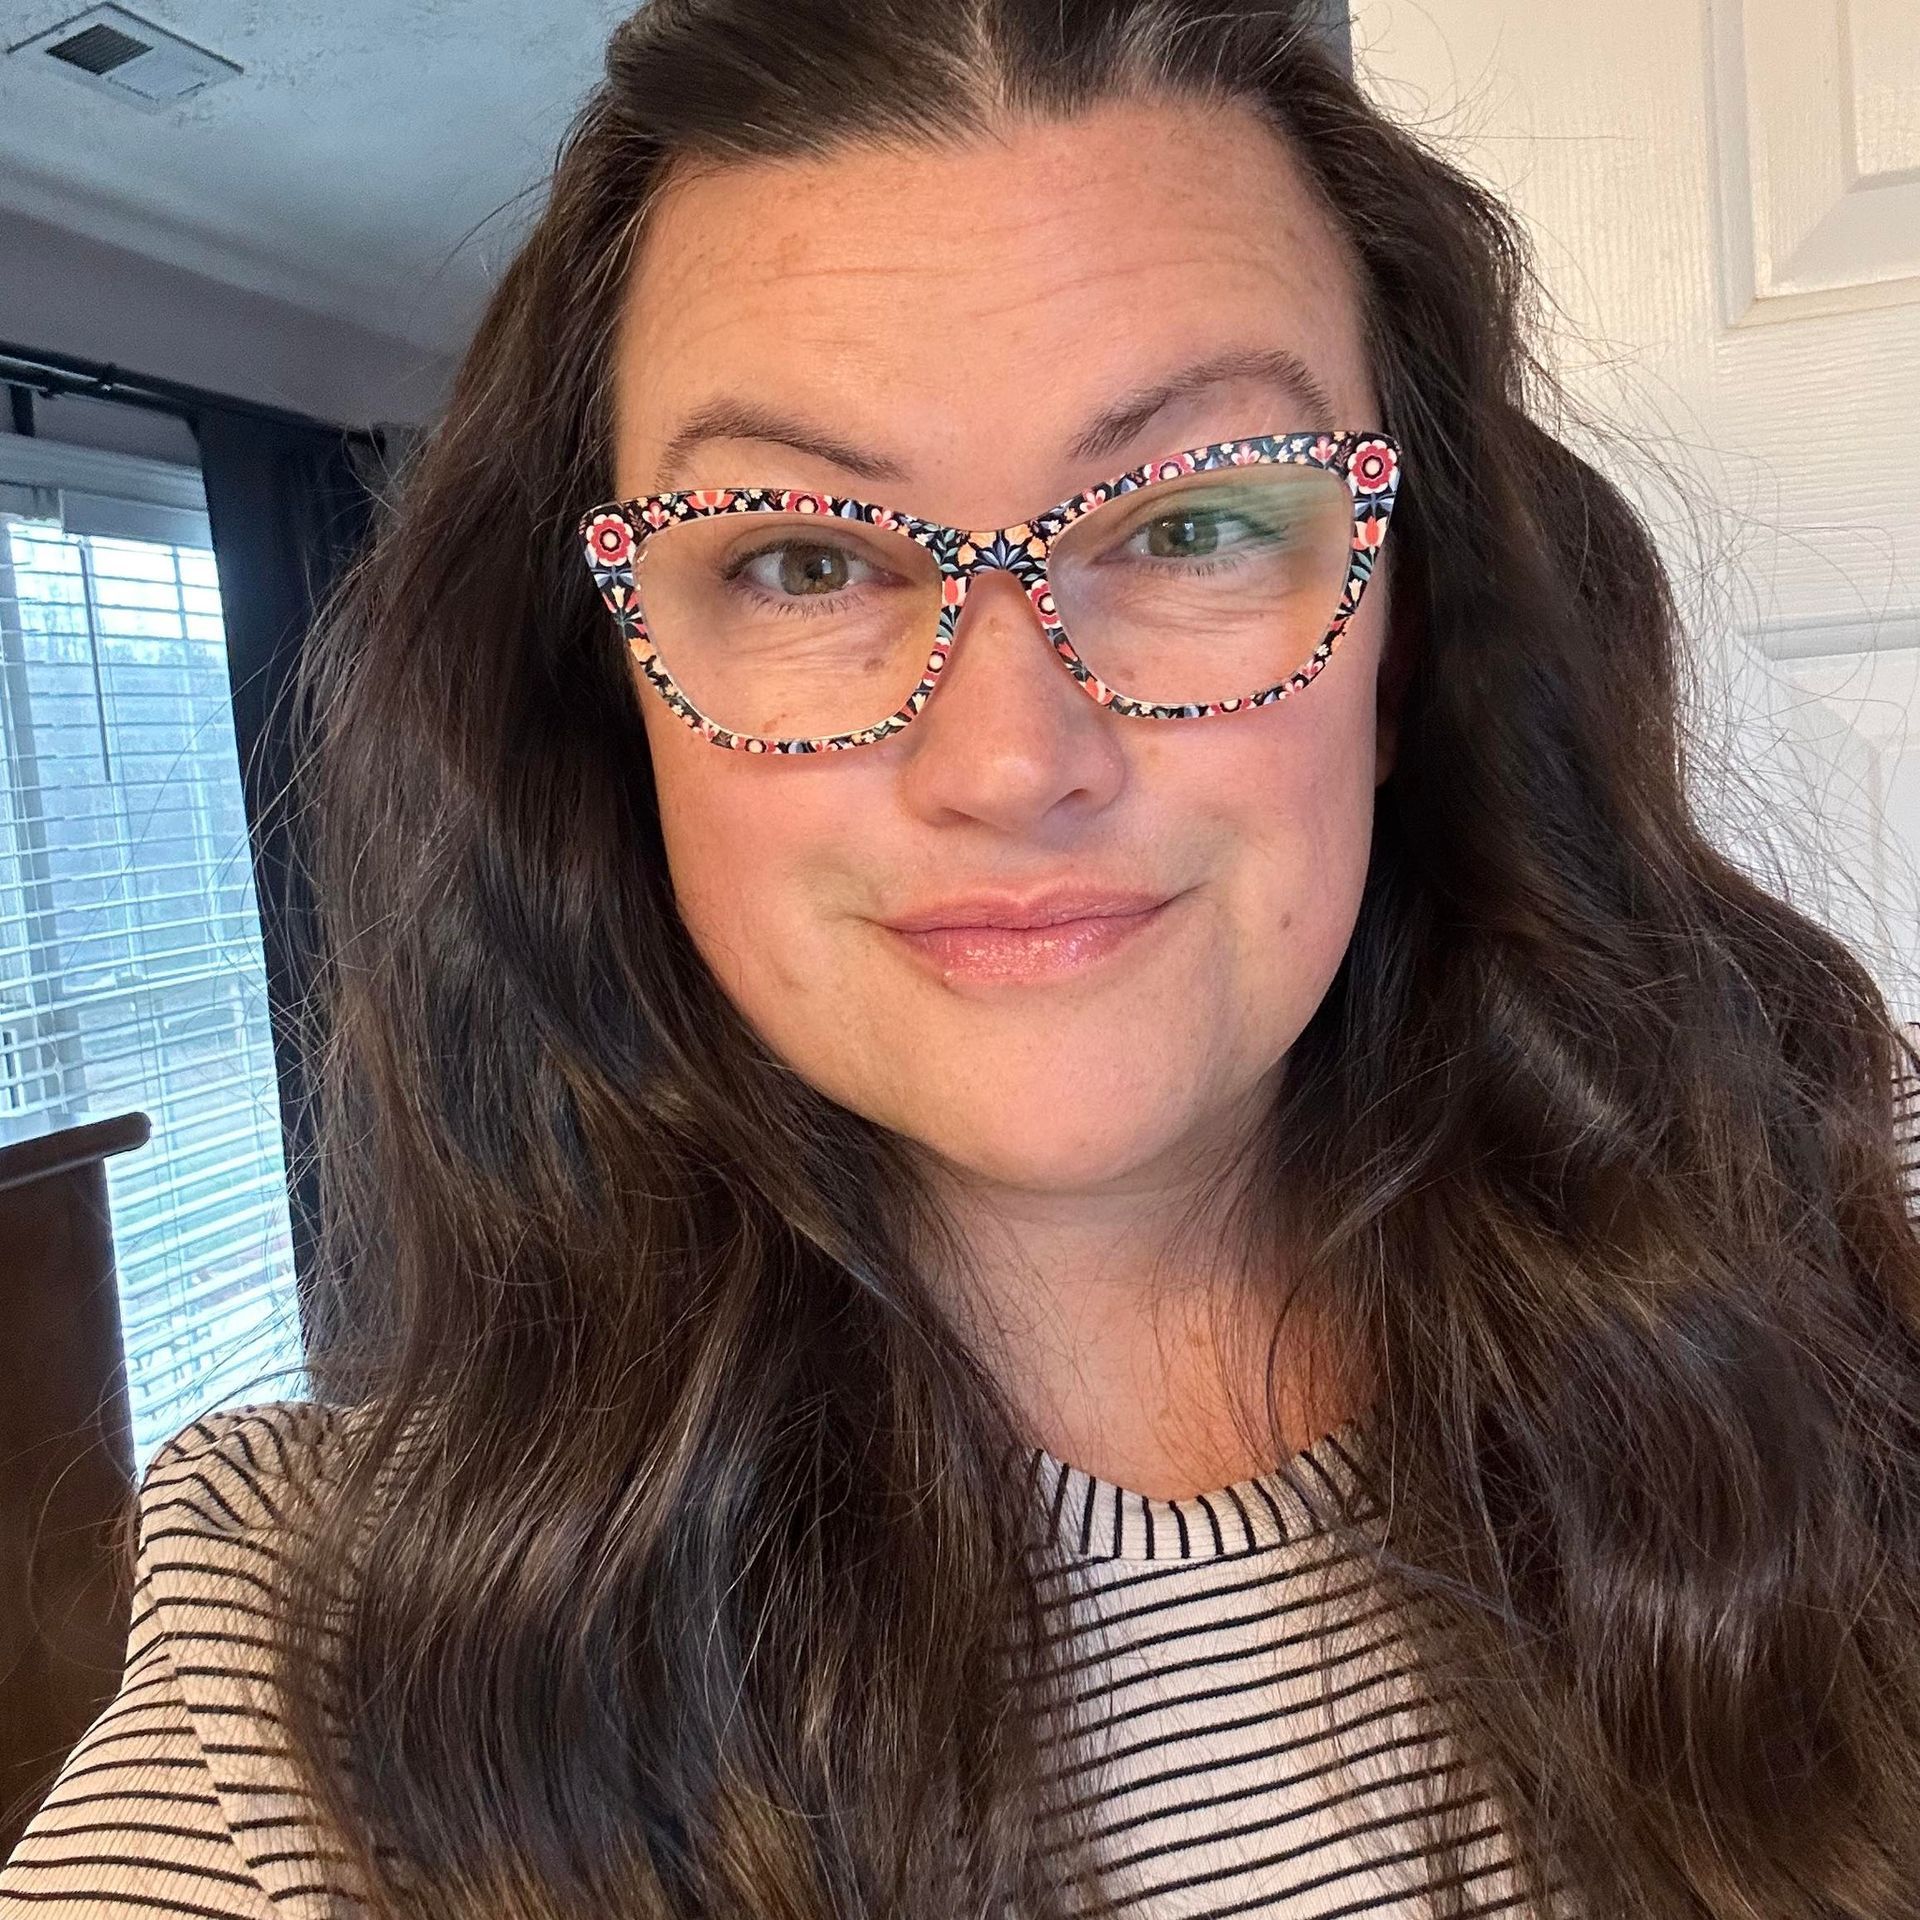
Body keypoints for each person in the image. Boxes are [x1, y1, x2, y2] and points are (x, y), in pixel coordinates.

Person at [6, 1, 1920, 1915]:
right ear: (616, 698)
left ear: (1402, 641)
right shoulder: (305, 1692)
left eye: (1192, 524)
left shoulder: (1856, 1292)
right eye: (803, 561)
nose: (1010, 762)